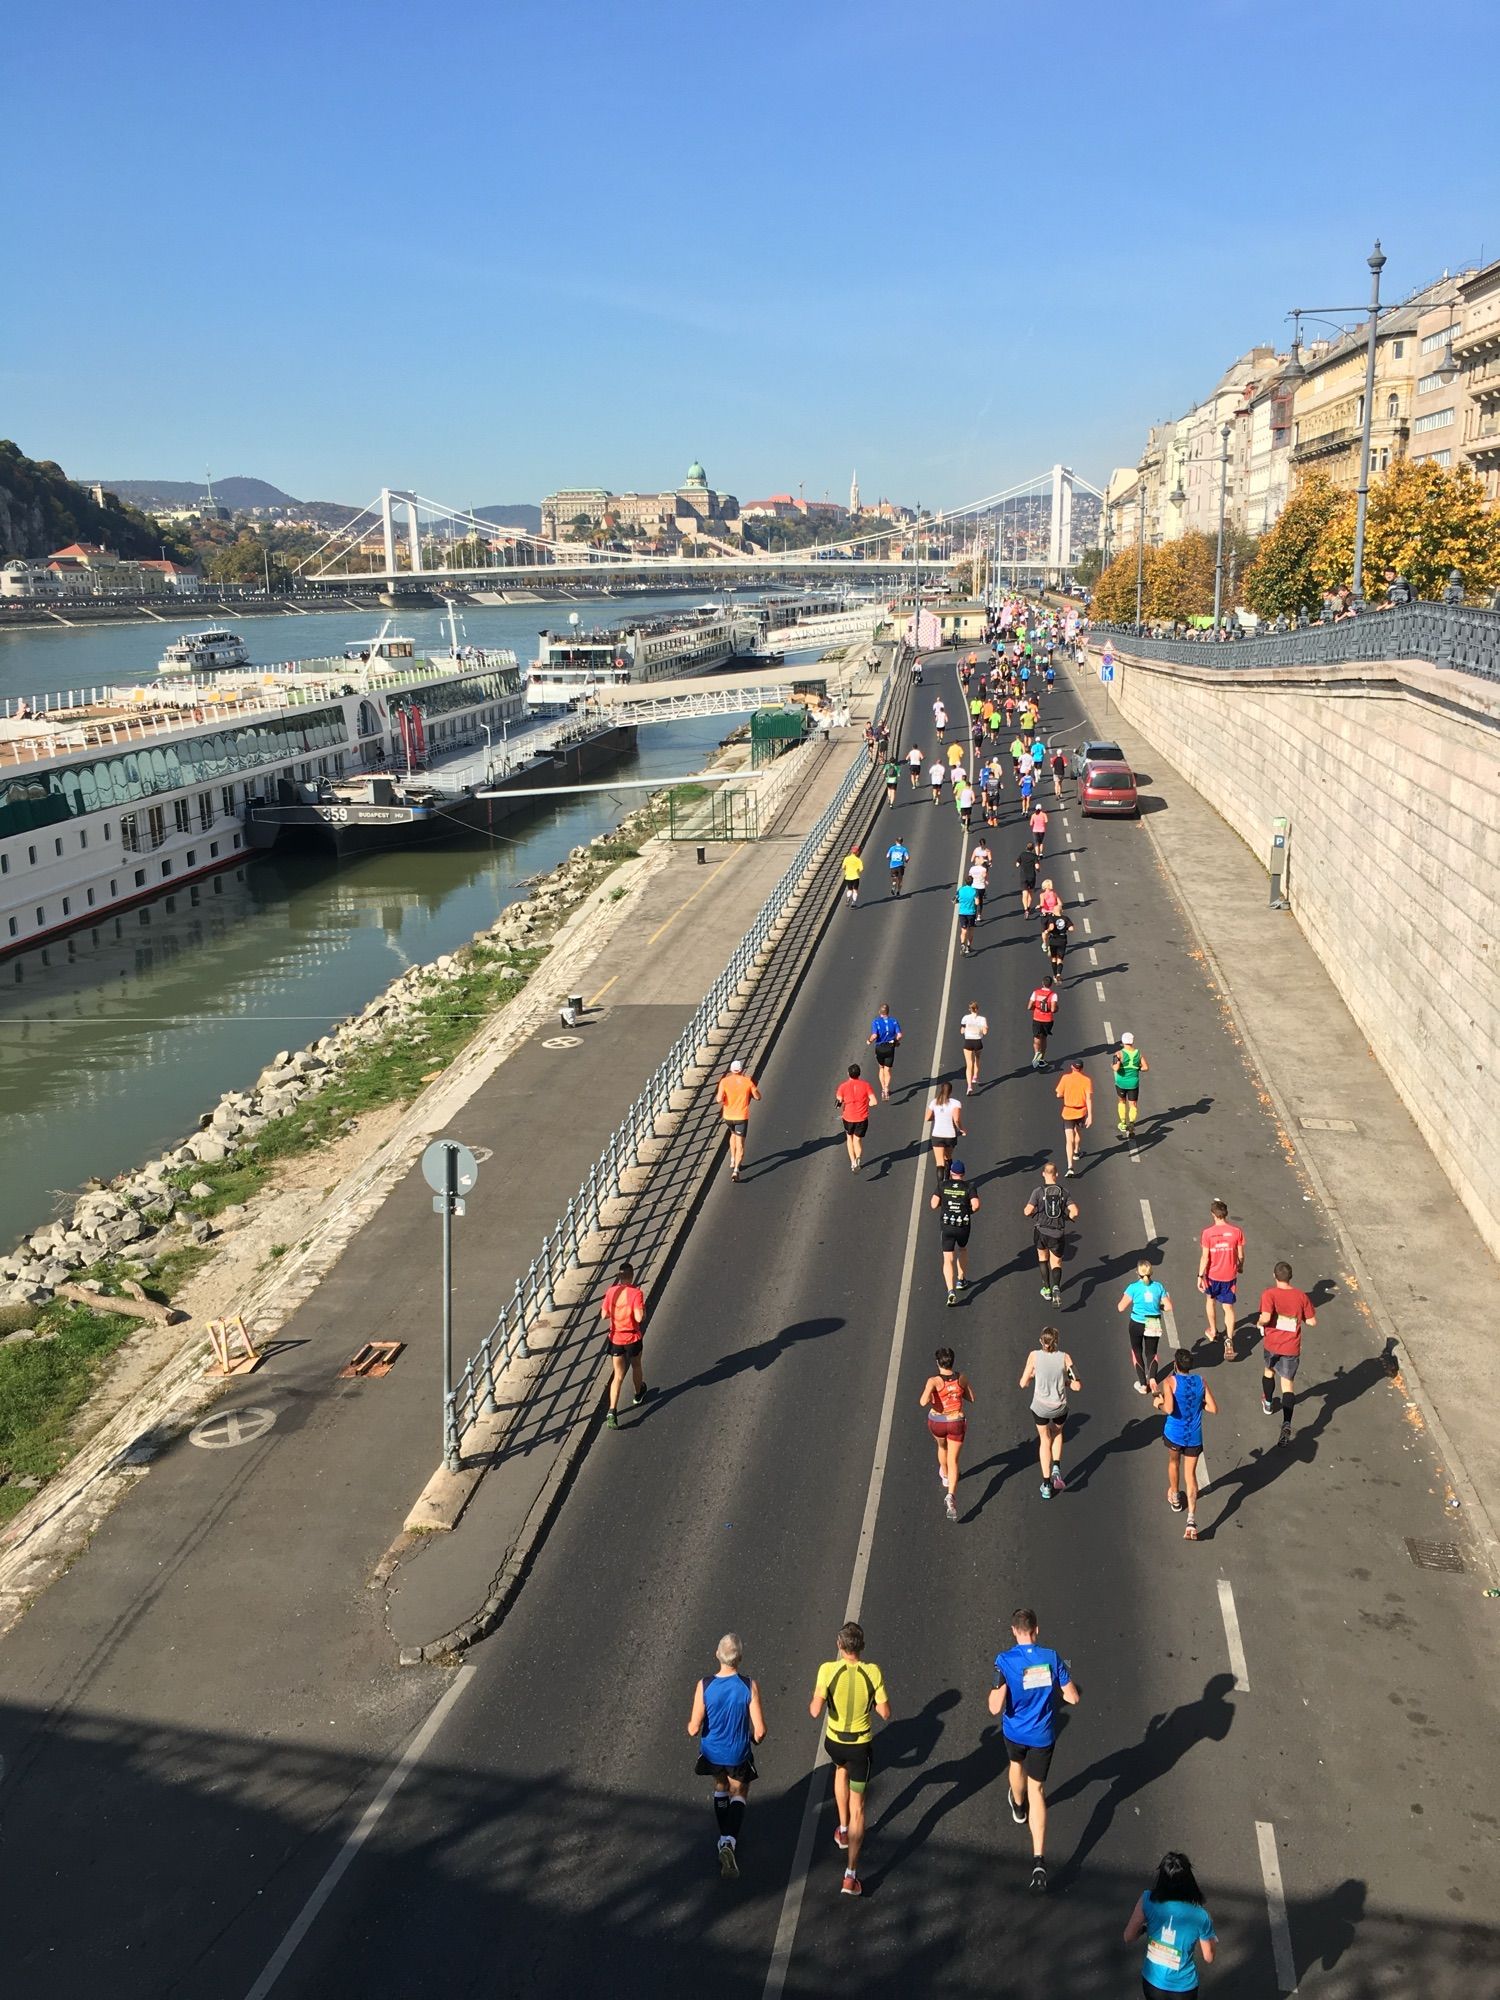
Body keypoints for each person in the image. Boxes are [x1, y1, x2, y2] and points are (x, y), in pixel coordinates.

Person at [988, 1607, 1080, 1896]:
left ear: (1014, 1631)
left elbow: (994, 1706)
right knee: (1037, 1789)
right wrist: (1063, 1689)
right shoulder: (1051, 1658)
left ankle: (1017, 1806)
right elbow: (1073, 1697)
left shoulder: (1004, 1661)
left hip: (1014, 1732)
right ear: (1036, 1630)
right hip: (1042, 1736)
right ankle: (1038, 1860)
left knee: (1016, 1766)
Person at [809, 1621, 891, 1897]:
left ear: (839, 1645)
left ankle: (842, 1830)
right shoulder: (872, 1672)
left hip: (834, 1742)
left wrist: (828, 1698)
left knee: (838, 1771)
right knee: (860, 1807)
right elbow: (885, 1713)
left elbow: (814, 1710)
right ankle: (850, 1875)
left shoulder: (827, 1670)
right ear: (862, 1646)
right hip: (860, 1746)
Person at [688, 1633, 767, 1879]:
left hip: (712, 1752)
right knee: (740, 1792)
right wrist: (753, 1739)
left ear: (717, 1655)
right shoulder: (748, 1686)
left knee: (720, 1787)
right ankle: (728, 1842)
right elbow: (761, 1730)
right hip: (737, 1752)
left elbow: (693, 1728)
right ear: (739, 1658)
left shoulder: (704, 1685)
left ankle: (723, 1837)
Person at [1124, 1852, 1217, 1994]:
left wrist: (1143, 1930)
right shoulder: (1200, 1916)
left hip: (1152, 1982)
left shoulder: (1147, 1899)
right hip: (1184, 1987)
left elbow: (1128, 1937)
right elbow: (1208, 1957)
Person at [1156, 1348, 1217, 1540]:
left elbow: (1169, 1408)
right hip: (1194, 1436)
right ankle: (1191, 1521)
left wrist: (1157, 1403)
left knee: (1174, 1463)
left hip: (1175, 1433)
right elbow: (1213, 1408)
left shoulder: (1170, 1382)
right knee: (1190, 1475)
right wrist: (1199, 1404)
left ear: (1175, 1364)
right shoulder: (1201, 1381)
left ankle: (1175, 1496)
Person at [1257, 1258, 1317, 1445]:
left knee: (1268, 1371)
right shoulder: (1301, 1296)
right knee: (1288, 1384)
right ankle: (1286, 1422)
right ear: (1290, 1277)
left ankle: (1267, 1402)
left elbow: (1266, 1317)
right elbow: (1312, 1321)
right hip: (1291, 1346)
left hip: (1272, 1343)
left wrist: (1259, 1322)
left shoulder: (1269, 1294)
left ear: (1274, 1276)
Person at [1021, 1326, 1080, 1497]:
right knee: (1058, 1432)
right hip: (1060, 1407)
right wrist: (1066, 1382)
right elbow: (1077, 1384)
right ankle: (1056, 1467)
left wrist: (1033, 1376)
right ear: (1057, 1341)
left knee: (1044, 1440)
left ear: (1041, 1341)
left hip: (1040, 1407)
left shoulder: (1034, 1356)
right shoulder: (1065, 1358)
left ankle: (1046, 1484)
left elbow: (1022, 1383)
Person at [920, 1345, 974, 1522]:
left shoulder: (933, 1381)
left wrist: (933, 1397)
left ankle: (944, 1474)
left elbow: (923, 1402)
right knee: (954, 1460)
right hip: (956, 1421)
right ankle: (951, 1495)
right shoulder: (961, 1378)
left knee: (941, 1446)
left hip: (937, 1422)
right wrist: (956, 1394)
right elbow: (971, 1398)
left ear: (938, 1363)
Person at [600, 1258, 648, 1429]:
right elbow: (639, 1318)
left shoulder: (611, 1291)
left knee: (618, 1376)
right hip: (632, 1338)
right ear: (632, 1276)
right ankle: (638, 1394)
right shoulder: (636, 1293)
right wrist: (642, 1309)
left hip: (615, 1338)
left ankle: (612, 1411)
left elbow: (604, 1315)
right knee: (636, 1366)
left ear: (619, 1277)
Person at [1196, 1198, 1245, 1354]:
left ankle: (1213, 1330)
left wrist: (1199, 1275)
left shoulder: (1207, 1234)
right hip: (1229, 1275)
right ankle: (1229, 1338)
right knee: (1228, 1307)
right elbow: (1241, 1255)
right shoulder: (1236, 1232)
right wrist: (1240, 1266)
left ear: (1213, 1215)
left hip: (1212, 1275)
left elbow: (1205, 1257)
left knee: (1210, 1301)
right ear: (1226, 1214)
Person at [1024, 1160, 1077, 1303]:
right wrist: (1067, 1217)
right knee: (1056, 1262)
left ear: (1043, 1174)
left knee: (1043, 1258)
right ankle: (1056, 1288)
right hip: (1057, 1233)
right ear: (1057, 1174)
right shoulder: (1064, 1192)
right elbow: (1075, 1212)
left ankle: (1046, 1289)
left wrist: (1035, 1215)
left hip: (1041, 1230)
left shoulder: (1038, 1191)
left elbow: (1027, 1211)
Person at [930, 1157, 979, 1305]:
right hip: (963, 1226)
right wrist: (966, 1211)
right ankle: (961, 1279)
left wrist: (945, 1206)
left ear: (951, 1172)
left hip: (947, 1226)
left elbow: (933, 1204)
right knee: (962, 1249)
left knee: (948, 1258)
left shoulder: (942, 1185)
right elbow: (976, 1205)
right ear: (963, 1174)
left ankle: (951, 1291)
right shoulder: (969, 1187)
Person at [1118, 1258, 1170, 1394]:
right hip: (1153, 1321)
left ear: (1137, 1272)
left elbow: (1121, 1307)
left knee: (1136, 1351)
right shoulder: (1158, 1287)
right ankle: (1152, 1379)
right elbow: (1169, 1306)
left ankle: (1142, 1384)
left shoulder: (1133, 1288)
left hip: (1136, 1322)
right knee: (1151, 1353)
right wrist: (1158, 1306)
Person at [716, 1059, 761, 1182]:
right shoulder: (747, 1082)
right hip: (741, 1117)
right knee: (740, 1143)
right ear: (742, 1070)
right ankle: (736, 1169)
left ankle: (732, 1158)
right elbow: (758, 1097)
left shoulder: (724, 1081)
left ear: (731, 1070)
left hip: (728, 1116)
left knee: (733, 1134)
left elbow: (719, 1099)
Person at [835, 1062, 878, 1172]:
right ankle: (858, 1158)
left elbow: (838, 1100)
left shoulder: (843, 1087)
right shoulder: (866, 1085)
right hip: (862, 1118)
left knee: (849, 1138)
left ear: (848, 1074)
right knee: (857, 1140)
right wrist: (868, 1104)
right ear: (859, 1074)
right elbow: (874, 1101)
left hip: (848, 1117)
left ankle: (853, 1162)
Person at [1055, 1059, 1092, 1174]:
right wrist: (1090, 1116)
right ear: (1082, 1068)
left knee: (1068, 1139)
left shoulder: (1065, 1078)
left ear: (1072, 1067)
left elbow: (1059, 1094)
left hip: (1068, 1111)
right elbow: (1088, 1099)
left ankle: (1070, 1167)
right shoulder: (1086, 1080)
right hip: (1081, 1111)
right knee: (1078, 1131)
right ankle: (1076, 1151)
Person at [924, 1079, 966, 1182]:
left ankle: (940, 1186)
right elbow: (956, 1119)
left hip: (937, 1135)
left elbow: (927, 1118)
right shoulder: (955, 1103)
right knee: (948, 1157)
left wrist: (937, 1117)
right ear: (951, 1091)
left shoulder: (934, 1102)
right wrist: (962, 1129)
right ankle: (947, 1180)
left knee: (939, 1162)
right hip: (950, 1135)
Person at [1112, 1031, 1147, 1136]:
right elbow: (1145, 1067)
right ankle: (1131, 1123)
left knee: (1122, 1101)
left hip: (1121, 1082)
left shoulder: (1119, 1054)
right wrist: (1136, 1068)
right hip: (1133, 1083)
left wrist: (1114, 1064)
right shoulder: (1138, 1053)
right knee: (1133, 1104)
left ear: (1123, 1041)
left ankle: (1123, 1123)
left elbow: (1116, 1068)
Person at [866, 1004, 902, 1099]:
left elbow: (874, 1035)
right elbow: (899, 1035)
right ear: (888, 1012)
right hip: (890, 1047)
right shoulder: (894, 1021)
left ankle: (883, 1088)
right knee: (888, 1069)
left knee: (881, 1068)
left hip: (880, 1048)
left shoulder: (876, 1022)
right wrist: (896, 1042)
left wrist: (869, 1041)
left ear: (879, 1012)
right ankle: (886, 1088)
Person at [1028, 973, 1060, 1069]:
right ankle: (1041, 1058)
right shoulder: (1053, 995)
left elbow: (1029, 1007)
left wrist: (1036, 1007)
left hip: (1037, 1018)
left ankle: (1036, 1053)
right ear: (1050, 984)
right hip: (1047, 1020)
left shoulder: (1036, 992)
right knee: (1044, 1038)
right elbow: (1054, 1009)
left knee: (1036, 1037)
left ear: (1042, 983)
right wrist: (1057, 1008)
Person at [958, 999, 988, 1094]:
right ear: (977, 1009)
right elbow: (985, 1032)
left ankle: (969, 1086)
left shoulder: (965, 1018)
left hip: (968, 1042)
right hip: (978, 1042)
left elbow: (962, 1031)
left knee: (969, 1064)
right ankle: (975, 1076)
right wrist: (983, 1028)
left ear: (970, 1009)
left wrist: (967, 1029)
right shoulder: (982, 1019)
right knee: (977, 1059)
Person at [1042, 907, 1073, 978]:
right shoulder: (1065, 918)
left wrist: (1047, 930)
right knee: (1060, 959)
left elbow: (1052, 927)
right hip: (1062, 940)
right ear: (1061, 911)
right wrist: (1065, 928)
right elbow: (1071, 928)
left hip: (1054, 940)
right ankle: (1059, 974)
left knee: (1053, 958)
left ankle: (1055, 974)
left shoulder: (1052, 918)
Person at [956, 876, 979, 956]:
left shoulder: (960, 890)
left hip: (962, 912)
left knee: (964, 930)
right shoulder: (974, 891)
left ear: (965, 882)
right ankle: (968, 947)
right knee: (971, 930)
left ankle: (962, 944)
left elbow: (955, 900)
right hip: (971, 913)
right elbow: (977, 902)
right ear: (972, 882)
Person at [1016, 842, 1039, 915]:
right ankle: (1028, 907)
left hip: (1023, 876)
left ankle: (1025, 909)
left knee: (1024, 893)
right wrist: (1038, 870)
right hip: (1031, 876)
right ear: (1032, 849)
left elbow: (1017, 864)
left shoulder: (1022, 854)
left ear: (1026, 847)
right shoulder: (1034, 856)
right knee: (1031, 892)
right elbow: (1037, 867)